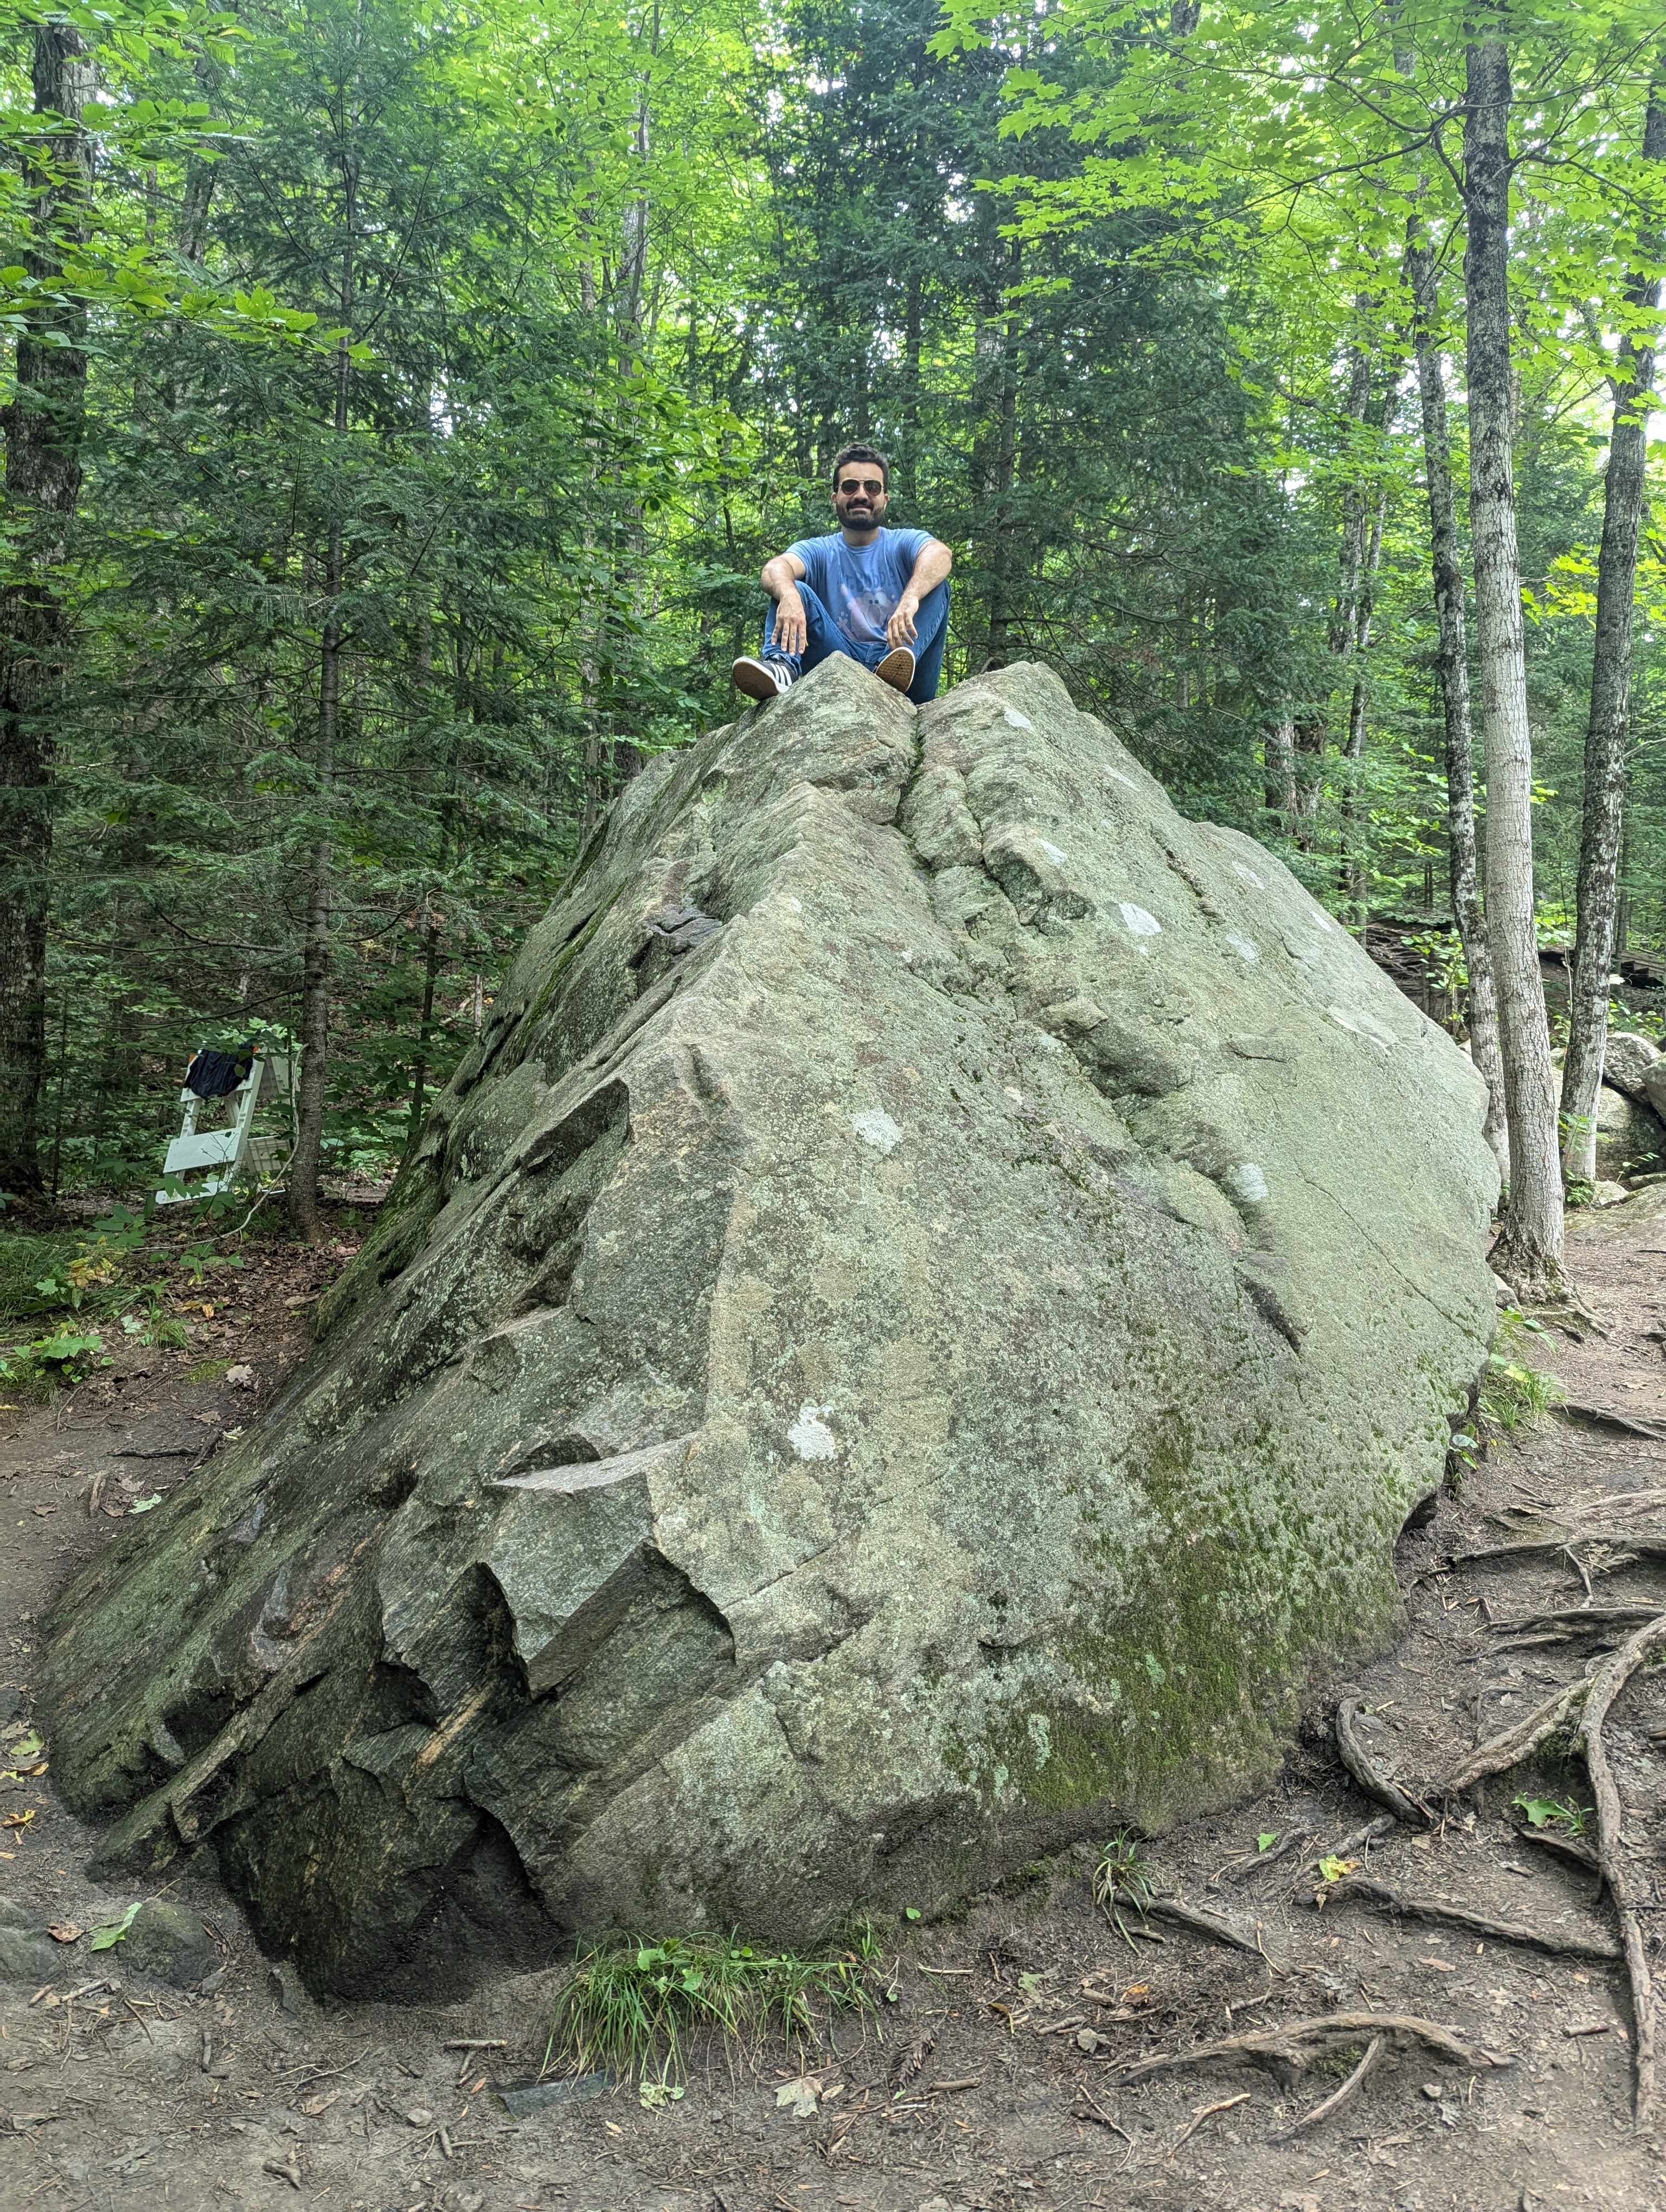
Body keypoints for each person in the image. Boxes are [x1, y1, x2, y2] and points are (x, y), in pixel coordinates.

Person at [732, 444, 953, 705]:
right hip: (842, 664)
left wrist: (911, 598)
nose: (861, 495)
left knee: (937, 586)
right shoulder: (820, 550)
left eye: (872, 487)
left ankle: (890, 673)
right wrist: (789, 594)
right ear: (835, 497)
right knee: (791, 589)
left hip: (905, 666)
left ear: (885, 498)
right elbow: (775, 569)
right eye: (850, 487)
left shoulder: (902, 542)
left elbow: (940, 554)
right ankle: (781, 666)